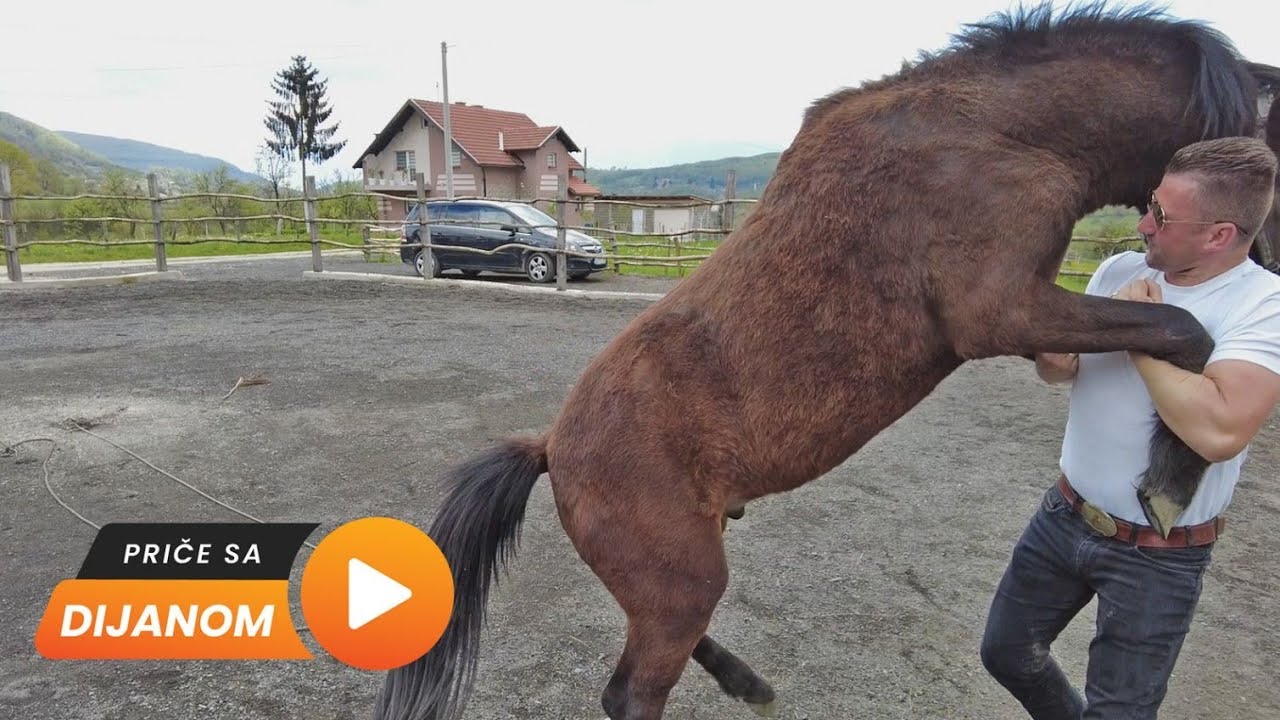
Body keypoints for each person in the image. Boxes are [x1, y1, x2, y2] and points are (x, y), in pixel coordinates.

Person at [980, 135, 1280, 719]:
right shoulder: (1120, 268)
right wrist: (1055, 351)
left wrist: (1141, 329)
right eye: (1150, 202)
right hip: (1064, 515)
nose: (1143, 223)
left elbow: (1218, 431)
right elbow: (1060, 373)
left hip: (1159, 552)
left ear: (1220, 235)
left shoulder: (1264, 304)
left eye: (1162, 216)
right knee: (1007, 652)